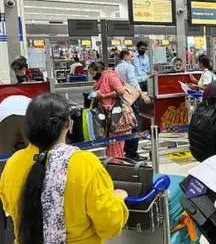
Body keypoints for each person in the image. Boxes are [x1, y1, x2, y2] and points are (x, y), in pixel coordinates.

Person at [0, 93, 128, 243]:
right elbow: (108, 225)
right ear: (68, 124)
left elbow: (9, 207)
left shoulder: (13, 163)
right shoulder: (85, 163)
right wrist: (118, 200)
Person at [115, 50, 152, 161]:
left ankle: (127, 151)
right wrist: (142, 95)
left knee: (127, 125)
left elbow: (134, 79)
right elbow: (133, 81)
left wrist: (147, 77)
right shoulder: (129, 67)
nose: (133, 58)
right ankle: (133, 153)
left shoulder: (117, 68)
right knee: (136, 125)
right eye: (131, 56)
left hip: (123, 99)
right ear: (126, 57)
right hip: (133, 98)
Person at [88, 62, 128, 158]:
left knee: (116, 139)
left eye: (93, 74)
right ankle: (112, 160)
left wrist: (104, 95)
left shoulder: (110, 76)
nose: (92, 76)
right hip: (106, 113)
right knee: (110, 140)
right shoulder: (100, 79)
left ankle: (117, 161)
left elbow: (121, 91)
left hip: (115, 114)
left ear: (99, 70)